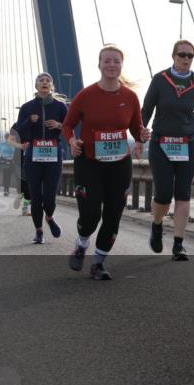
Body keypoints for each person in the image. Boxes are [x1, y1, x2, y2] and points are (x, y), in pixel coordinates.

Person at [64, 46, 148, 279]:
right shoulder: (85, 95)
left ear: (122, 65)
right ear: (99, 64)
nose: (112, 65)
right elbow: (67, 125)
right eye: (107, 61)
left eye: (116, 62)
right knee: (90, 214)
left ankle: (98, 263)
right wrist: (71, 141)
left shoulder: (130, 97)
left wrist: (143, 135)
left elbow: (136, 129)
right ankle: (81, 244)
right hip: (89, 162)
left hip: (120, 163)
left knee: (114, 214)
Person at [137, 40, 194, 261]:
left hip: (187, 143)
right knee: (162, 195)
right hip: (161, 143)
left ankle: (178, 244)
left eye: (190, 55)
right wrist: (139, 137)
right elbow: (146, 109)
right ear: (173, 56)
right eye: (182, 54)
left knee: (183, 194)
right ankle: (157, 224)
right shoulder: (160, 80)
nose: (186, 59)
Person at [16, 73, 68, 244]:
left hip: (54, 155)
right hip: (33, 155)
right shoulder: (26, 107)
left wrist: (59, 125)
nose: (44, 83)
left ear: (51, 86)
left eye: (48, 81)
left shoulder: (60, 107)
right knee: (36, 197)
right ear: (36, 86)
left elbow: (69, 129)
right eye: (41, 80)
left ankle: (50, 217)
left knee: (50, 197)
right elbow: (19, 133)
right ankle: (39, 231)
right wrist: (30, 122)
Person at [8, 123, 31, 216]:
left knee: (31, 184)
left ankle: (21, 194)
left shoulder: (39, 122)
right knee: (26, 183)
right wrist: (21, 146)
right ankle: (25, 208)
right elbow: (10, 141)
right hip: (19, 159)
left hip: (35, 158)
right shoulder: (16, 125)